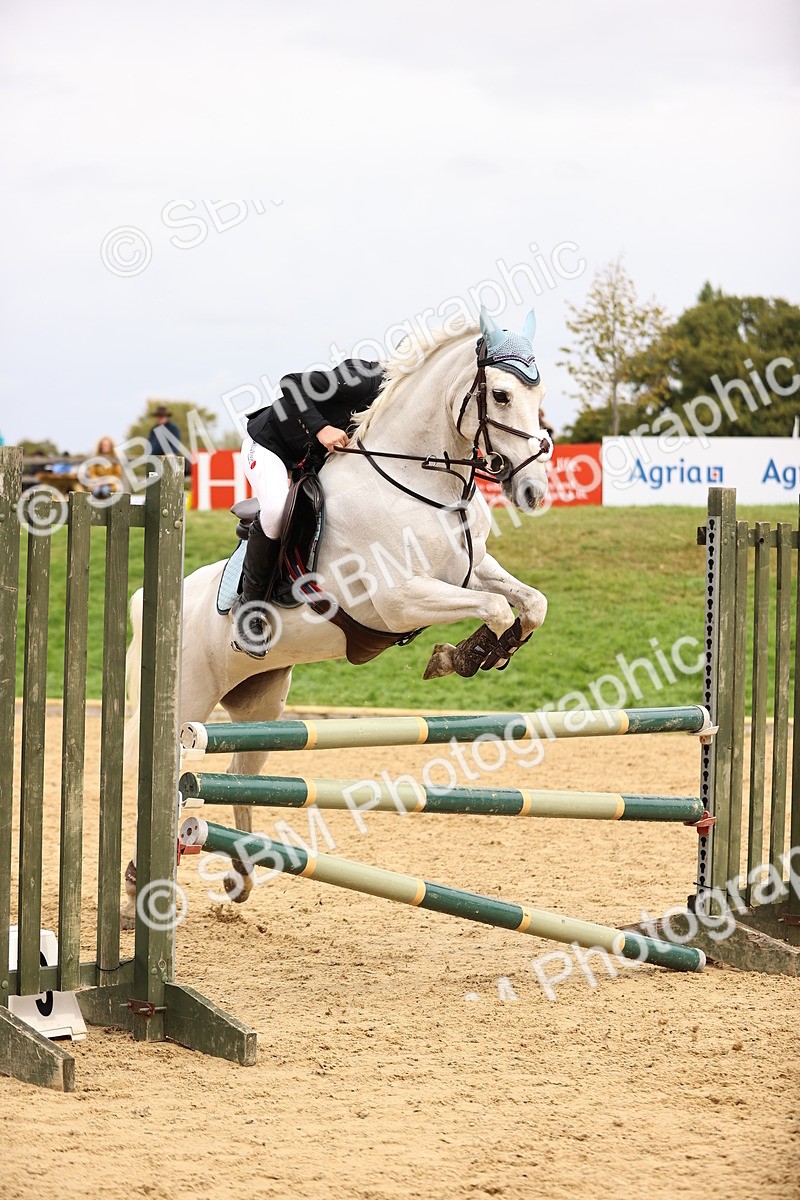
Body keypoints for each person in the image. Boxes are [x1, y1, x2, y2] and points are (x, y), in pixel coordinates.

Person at [231, 358, 385, 656]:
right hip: (268, 446)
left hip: (309, 462)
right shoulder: (363, 380)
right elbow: (291, 382)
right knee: (275, 511)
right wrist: (322, 428)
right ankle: (249, 610)